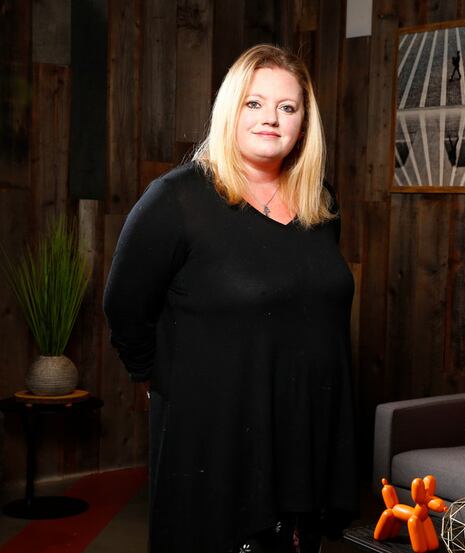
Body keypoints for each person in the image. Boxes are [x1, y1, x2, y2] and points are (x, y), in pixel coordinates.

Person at [104, 44, 358, 553]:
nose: (271, 118)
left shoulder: (320, 200)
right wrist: (173, 386)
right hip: (215, 435)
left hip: (304, 435)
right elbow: (125, 306)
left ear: (304, 123)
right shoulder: (177, 199)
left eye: (287, 107)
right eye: (254, 103)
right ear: (229, 111)